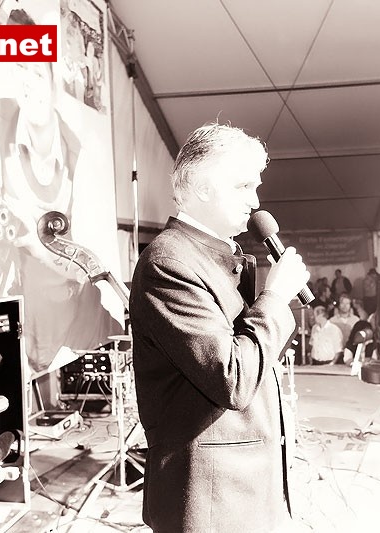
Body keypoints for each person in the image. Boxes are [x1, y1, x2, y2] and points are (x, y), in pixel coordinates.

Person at [129, 122, 310, 533]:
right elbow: (232, 378)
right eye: (243, 186)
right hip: (212, 501)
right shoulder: (168, 263)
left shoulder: (214, 255)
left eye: (256, 186)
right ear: (202, 187)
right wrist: (275, 297)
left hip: (242, 490)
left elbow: (253, 355)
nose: (256, 201)